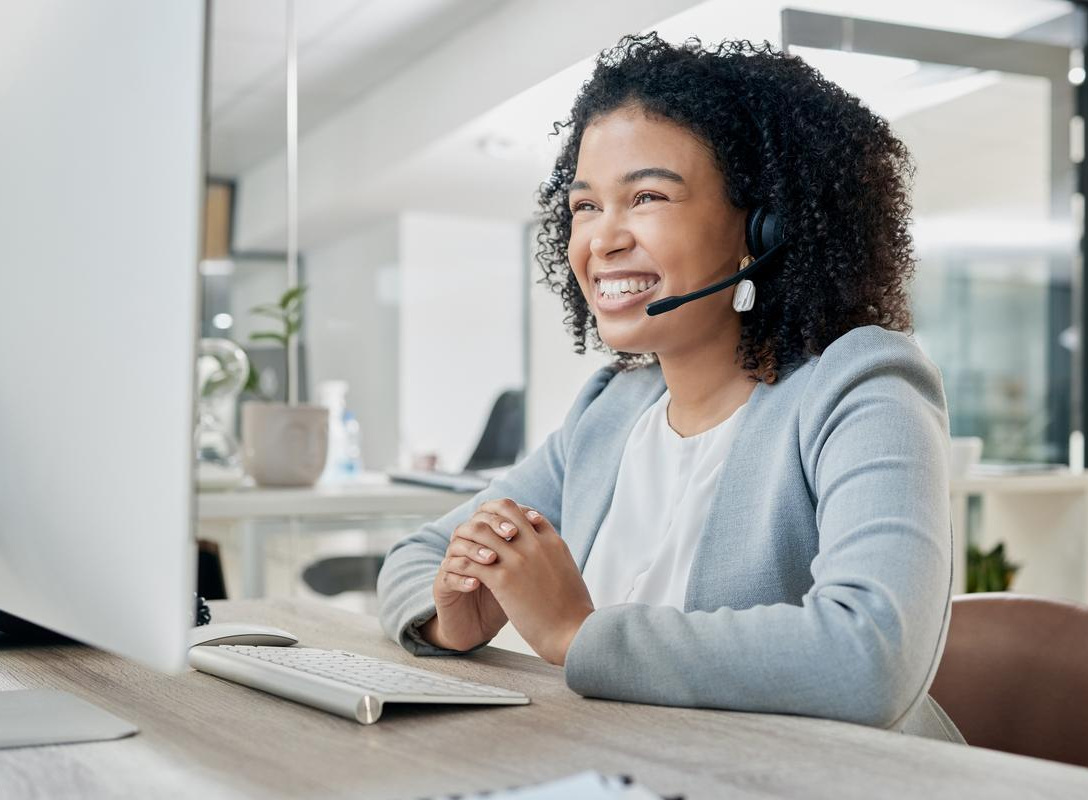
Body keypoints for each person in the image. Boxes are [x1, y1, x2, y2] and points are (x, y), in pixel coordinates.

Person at [378, 33, 962, 742]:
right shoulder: (611, 411)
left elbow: (870, 656)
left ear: (762, 227)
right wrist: (451, 614)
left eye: (647, 196)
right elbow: (417, 556)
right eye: (586, 206)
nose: (602, 239)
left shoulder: (862, 386)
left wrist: (576, 633)